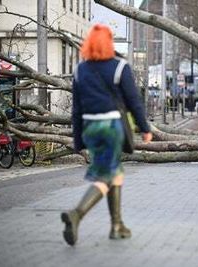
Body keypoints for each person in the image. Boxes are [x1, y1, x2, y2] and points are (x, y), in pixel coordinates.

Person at [61, 24, 152, 246]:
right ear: (109, 43)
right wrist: (145, 128)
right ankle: (77, 214)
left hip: (90, 128)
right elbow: (133, 102)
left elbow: (76, 109)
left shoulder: (80, 70)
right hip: (111, 127)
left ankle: (117, 226)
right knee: (106, 176)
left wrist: (77, 140)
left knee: (114, 172)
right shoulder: (120, 67)